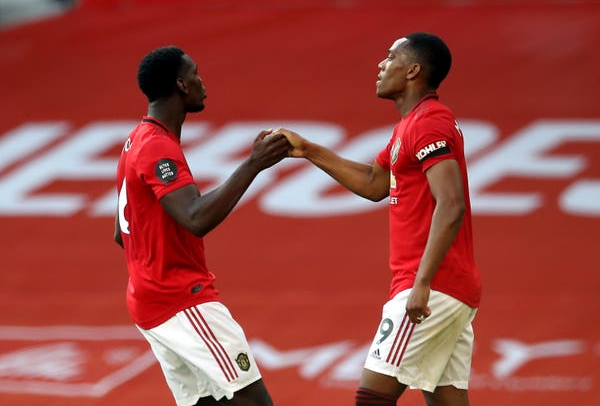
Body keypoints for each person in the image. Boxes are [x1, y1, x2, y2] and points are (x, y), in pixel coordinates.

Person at [277, 32, 481, 406]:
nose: (381, 64)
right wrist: (308, 150)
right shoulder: (410, 126)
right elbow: (374, 182)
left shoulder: (429, 123)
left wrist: (422, 284)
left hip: (431, 286)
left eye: (391, 57)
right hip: (446, 288)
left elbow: (451, 205)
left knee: (372, 399)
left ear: (413, 70)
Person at [114, 45, 290, 406]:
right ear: (181, 85)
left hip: (148, 301)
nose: (201, 81)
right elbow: (196, 218)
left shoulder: (135, 141)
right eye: (195, 73)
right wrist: (252, 165)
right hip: (180, 299)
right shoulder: (157, 147)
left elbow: (121, 233)